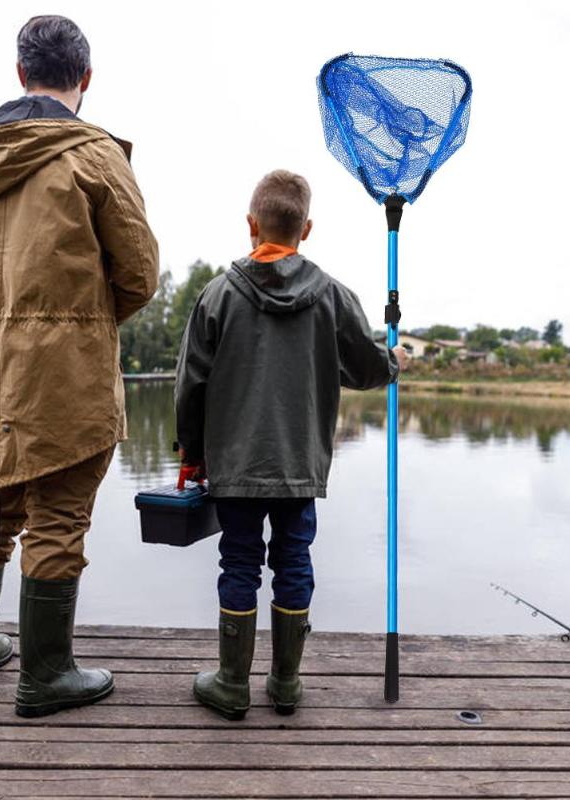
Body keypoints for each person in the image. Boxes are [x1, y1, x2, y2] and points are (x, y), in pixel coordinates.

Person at [0, 15, 158, 718]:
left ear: (20, 75)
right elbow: (140, 274)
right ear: (85, 79)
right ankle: (45, 675)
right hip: (66, 372)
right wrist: (83, 325)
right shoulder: (94, 156)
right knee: (59, 515)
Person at [175, 169, 408, 719]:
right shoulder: (332, 296)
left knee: (238, 562)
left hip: (234, 466)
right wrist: (394, 363)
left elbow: (190, 382)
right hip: (300, 465)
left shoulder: (217, 295)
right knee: (294, 559)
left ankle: (232, 684)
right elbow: (368, 367)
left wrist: (192, 453)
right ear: (307, 229)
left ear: (251, 225)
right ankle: (285, 684)